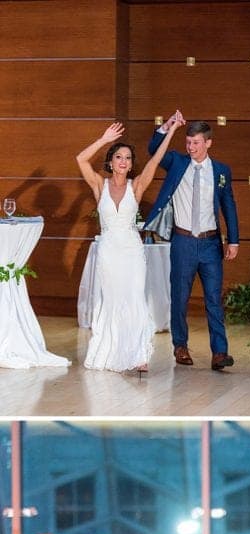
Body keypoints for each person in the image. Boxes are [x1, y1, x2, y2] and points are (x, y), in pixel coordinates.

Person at [75, 117, 182, 375]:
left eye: (128, 158)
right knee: (112, 301)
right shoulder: (99, 185)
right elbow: (80, 159)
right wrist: (104, 139)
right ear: (111, 162)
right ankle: (110, 351)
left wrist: (173, 130)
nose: (124, 162)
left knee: (134, 299)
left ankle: (139, 355)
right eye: (119, 157)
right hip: (109, 252)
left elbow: (156, 160)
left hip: (133, 252)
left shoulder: (137, 186)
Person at [144, 112, 239, 370]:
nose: (191, 147)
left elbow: (228, 204)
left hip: (210, 244)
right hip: (183, 241)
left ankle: (220, 353)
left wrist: (234, 240)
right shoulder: (176, 162)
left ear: (208, 143)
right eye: (188, 142)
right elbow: (153, 148)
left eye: (196, 143)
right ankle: (180, 345)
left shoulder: (221, 171)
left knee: (213, 299)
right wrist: (168, 126)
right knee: (180, 296)